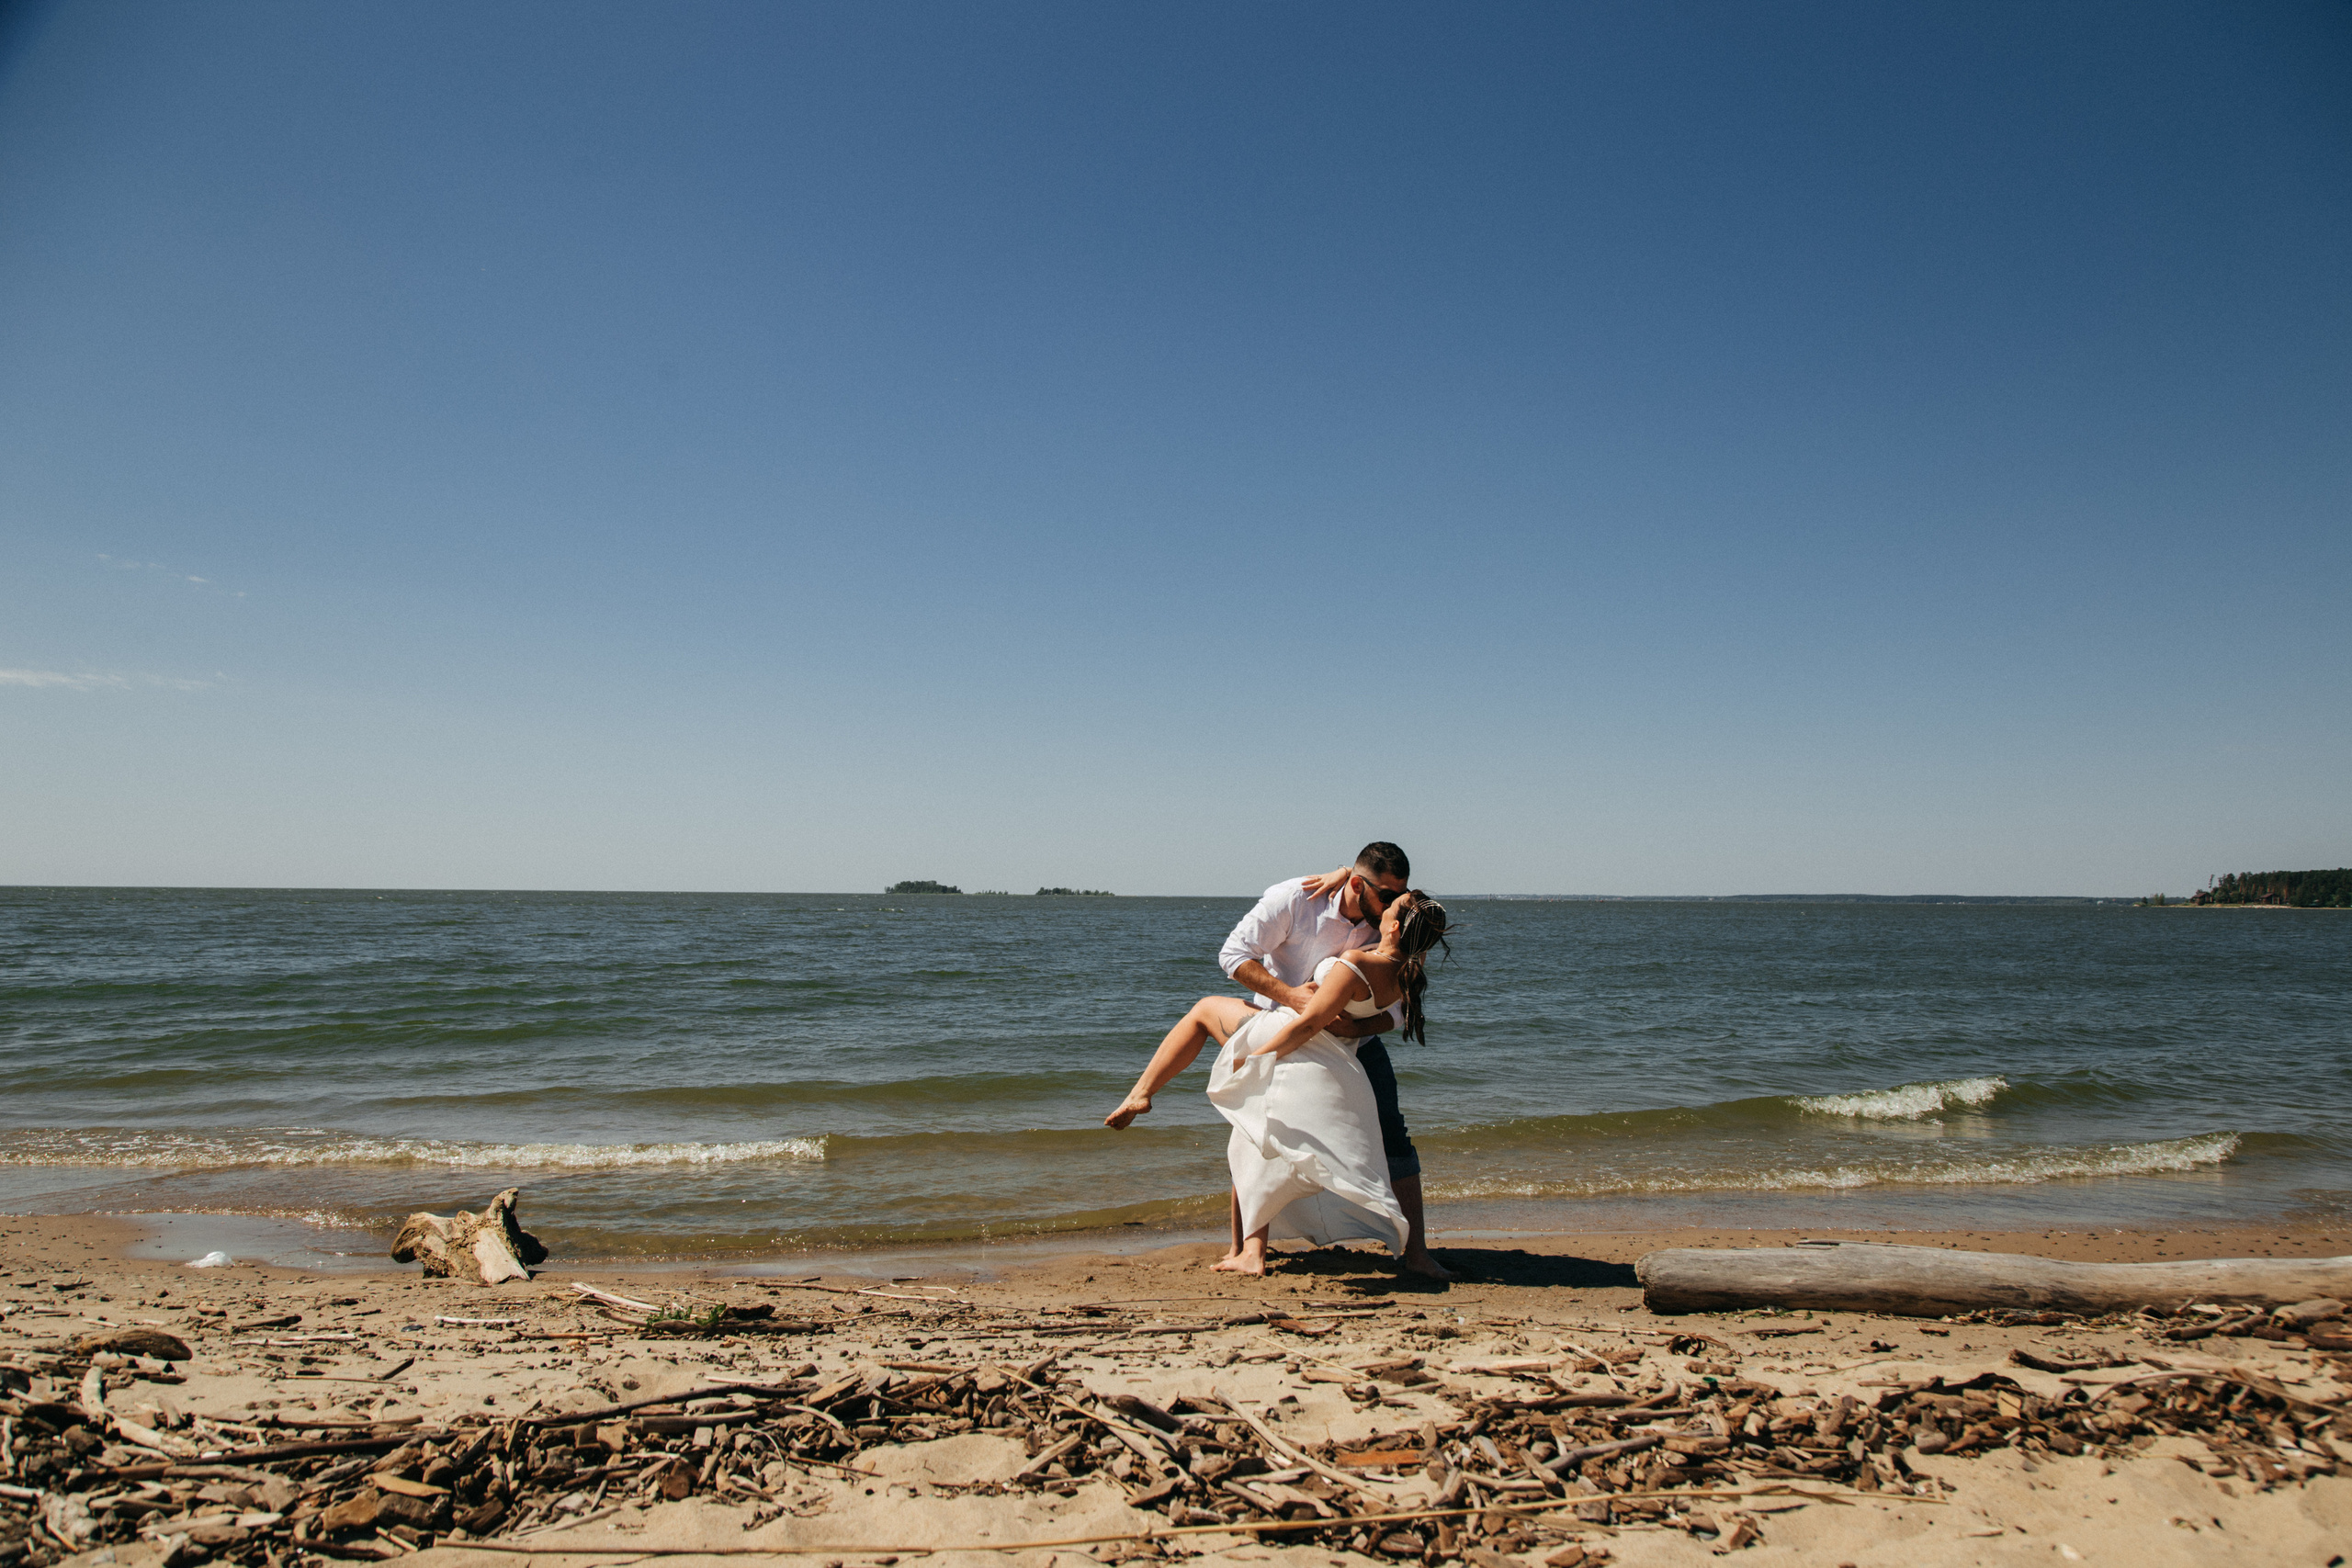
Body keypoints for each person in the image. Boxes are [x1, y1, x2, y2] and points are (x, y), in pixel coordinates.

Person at [1103, 842, 1452, 1279]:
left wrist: (1350, 1029)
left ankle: (1415, 1253)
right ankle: (1248, 1249)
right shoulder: (1294, 899)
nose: (1391, 906)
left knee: (1394, 1139)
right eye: (1386, 895)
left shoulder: (1387, 933)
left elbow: (1393, 1014)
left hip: (1345, 1045)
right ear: (1359, 884)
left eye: (1397, 897)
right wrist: (1291, 997)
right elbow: (1232, 956)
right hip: (1282, 1024)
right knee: (1255, 1130)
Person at [1205, 888, 1449, 1275]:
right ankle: (1416, 1253)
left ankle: (1249, 1251)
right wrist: (1359, 1026)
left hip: (1308, 1050)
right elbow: (1397, 1017)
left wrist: (1257, 1057)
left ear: (1396, 925)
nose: (1385, 907)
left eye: (1392, 907)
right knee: (1392, 1141)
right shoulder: (1408, 969)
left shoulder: (1356, 960)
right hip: (1352, 1052)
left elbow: (1309, 1023)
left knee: (1257, 1132)